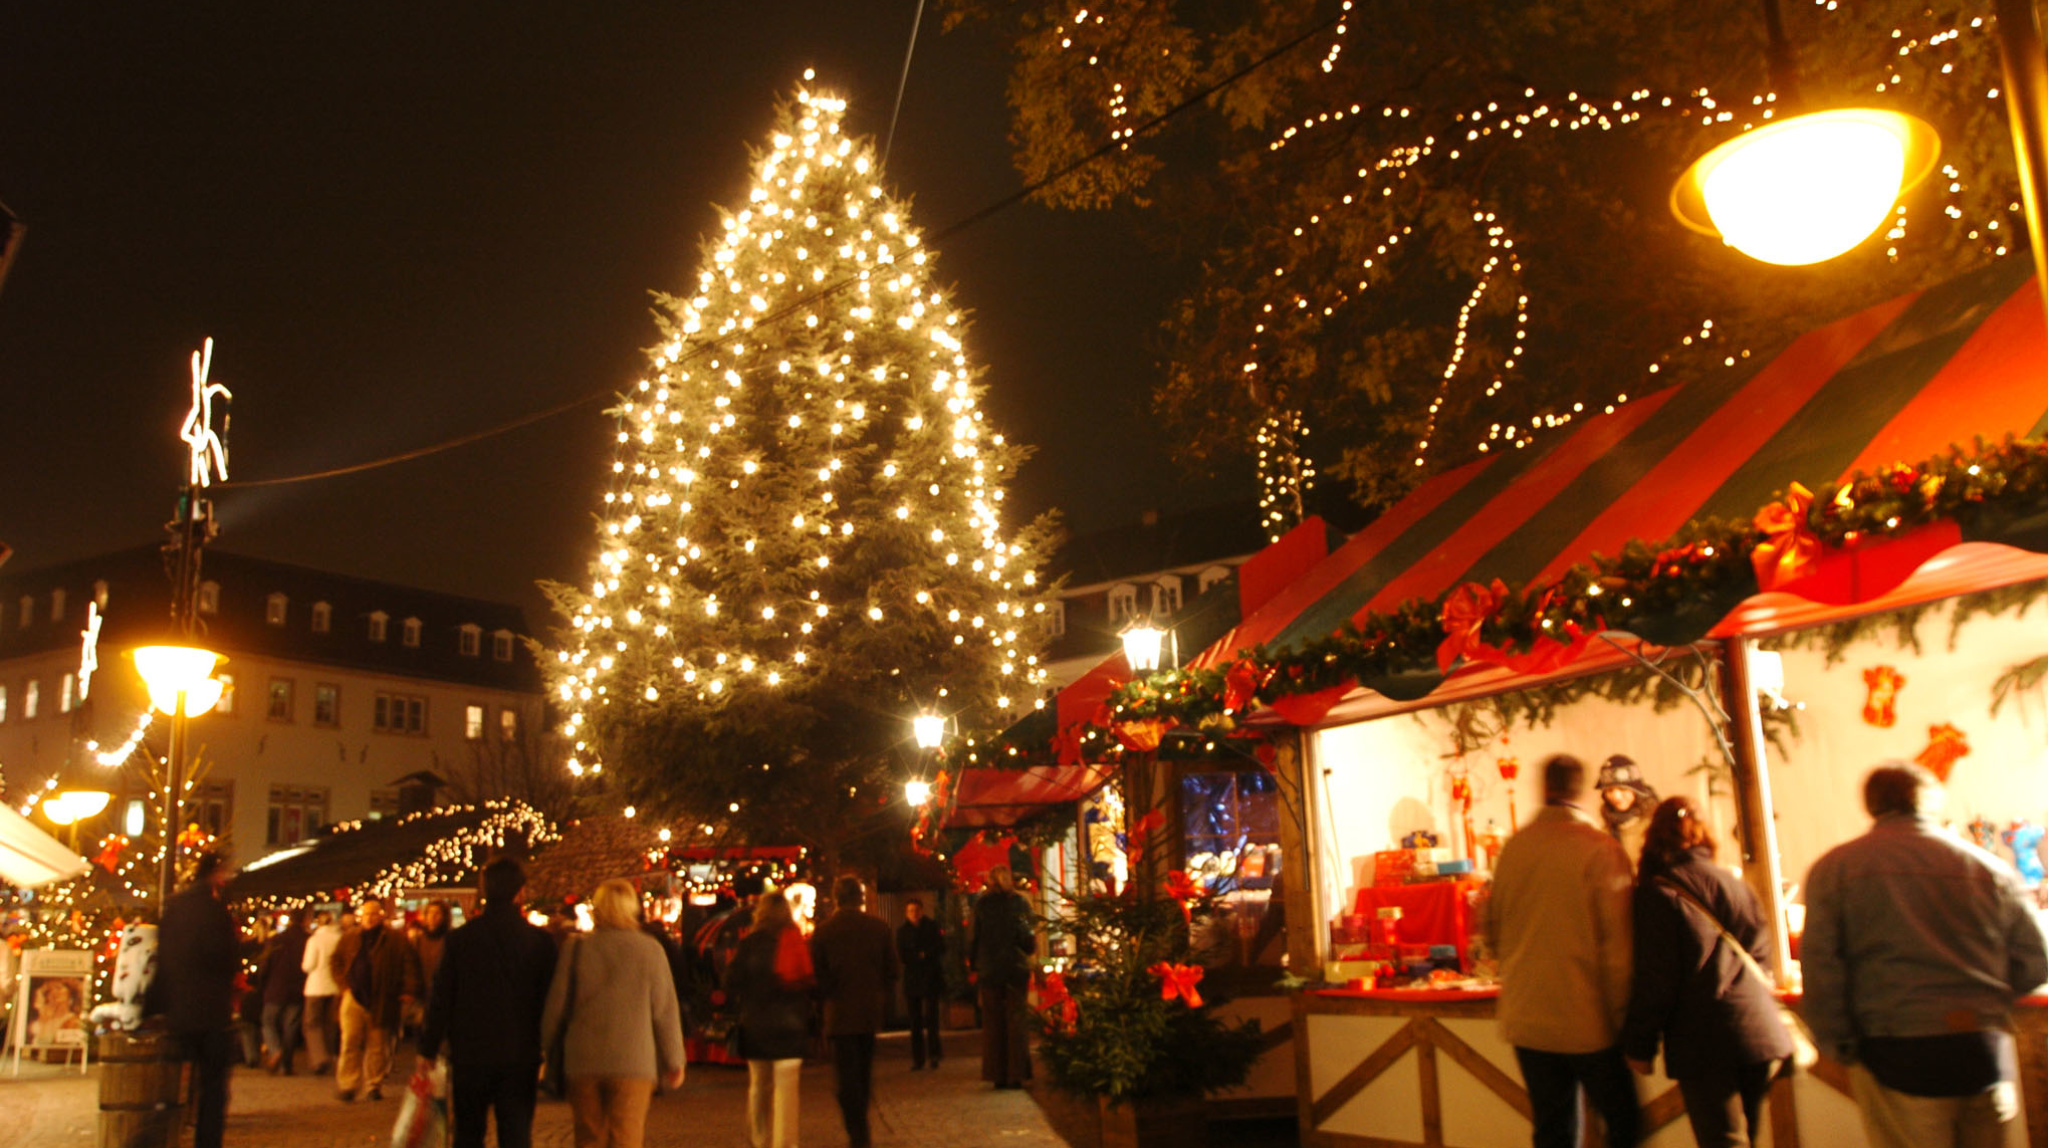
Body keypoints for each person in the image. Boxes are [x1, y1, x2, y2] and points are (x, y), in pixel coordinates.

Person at [1804, 762, 2048, 1148]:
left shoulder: (1836, 869)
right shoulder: (1987, 867)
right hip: (1982, 1049)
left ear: (1871, 804)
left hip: (1896, 1050)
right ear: (1931, 801)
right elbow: (2036, 958)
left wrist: (1838, 1043)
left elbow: (1821, 968)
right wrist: (1988, 999)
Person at [1620, 796, 1792, 1148]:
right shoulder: (1734, 883)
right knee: (1745, 1140)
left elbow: (1657, 979)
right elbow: (1762, 954)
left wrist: (1639, 1045)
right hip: (1758, 1034)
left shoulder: (1657, 894)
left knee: (1723, 1141)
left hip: (1704, 1040)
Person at [1486, 754, 1638, 1148]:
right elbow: (1618, 950)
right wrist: (1625, 1018)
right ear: (1580, 789)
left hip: (1528, 1017)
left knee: (1553, 1128)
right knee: (1623, 1123)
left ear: (1545, 788)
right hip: (1587, 1017)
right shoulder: (1599, 849)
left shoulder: (1514, 849)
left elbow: (1491, 930)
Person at [422, 858, 559, 1148]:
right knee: (516, 1133)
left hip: (470, 1052)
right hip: (520, 1051)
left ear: (485, 890)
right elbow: (550, 999)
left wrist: (428, 1047)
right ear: (520, 893)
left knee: (468, 1133)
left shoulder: (461, 940)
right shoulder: (540, 942)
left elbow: (441, 996)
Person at [541, 879, 686, 1148]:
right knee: (626, 1136)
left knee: (588, 1136)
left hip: (583, 1058)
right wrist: (674, 1059)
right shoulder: (650, 950)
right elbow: (664, 1011)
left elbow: (556, 1006)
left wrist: (545, 1047)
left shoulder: (576, 949)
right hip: (633, 1061)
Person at [145, 850, 239, 1148]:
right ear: (216, 872)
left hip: (178, 1012)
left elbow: (163, 960)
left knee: (169, 1085)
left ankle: (152, 1137)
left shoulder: (174, 907)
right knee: (212, 1087)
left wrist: (153, 1007)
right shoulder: (217, 910)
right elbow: (228, 959)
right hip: (211, 1013)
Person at [811, 875, 900, 1148]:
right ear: (860, 898)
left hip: (838, 1014)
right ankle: (861, 1122)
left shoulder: (824, 932)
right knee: (863, 1070)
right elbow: (892, 971)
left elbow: (817, 977)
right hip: (869, 1011)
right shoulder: (879, 928)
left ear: (837, 898)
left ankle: (857, 1130)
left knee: (846, 1076)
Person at [726, 891, 814, 1148]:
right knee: (787, 1093)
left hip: (757, 1026)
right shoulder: (797, 941)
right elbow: (810, 982)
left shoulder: (750, 944)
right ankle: (785, 1143)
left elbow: (730, 982)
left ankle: (759, 1139)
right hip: (792, 1026)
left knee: (759, 1087)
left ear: (760, 913)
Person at [329, 895, 423, 1101]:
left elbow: (409, 965)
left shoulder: (396, 939)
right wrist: (343, 985)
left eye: (374, 914)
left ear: (381, 916)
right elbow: (335, 960)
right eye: (366, 914)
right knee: (349, 1042)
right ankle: (348, 1084)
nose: (370, 918)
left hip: (382, 998)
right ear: (361, 917)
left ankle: (374, 1084)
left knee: (377, 1044)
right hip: (353, 996)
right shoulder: (350, 937)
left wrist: (408, 990)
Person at [968, 866, 1034, 1089]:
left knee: (993, 1023)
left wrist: (974, 964)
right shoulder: (1020, 904)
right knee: (1016, 1022)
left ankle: (996, 1073)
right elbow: (1028, 939)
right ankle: (1016, 1073)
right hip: (1015, 969)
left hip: (989, 970)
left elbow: (974, 938)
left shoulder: (982, 905)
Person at [896, 897, 945, 1070]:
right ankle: (918, 1058)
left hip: (930, 977)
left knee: (932, 1019)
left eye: (916, 911)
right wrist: (920, 956)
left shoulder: (931, 927)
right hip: (913, 979)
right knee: (915, 1021)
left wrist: (923, 955)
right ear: (906, 913)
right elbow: (903, 955)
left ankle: (934, 1054)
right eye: (910, 911)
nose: (914, 914)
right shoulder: (902, 931)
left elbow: (939, 947)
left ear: (921, 911)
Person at [259, 912, 310, 1073]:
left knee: (268, 1022)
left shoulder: (277, 940)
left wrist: (262, 983)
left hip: (276, 988)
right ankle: (286, 1065)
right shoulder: (307, 939)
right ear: (304, 921)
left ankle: (275, 1050)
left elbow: (265, 965)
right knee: (291, 1027)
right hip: (297, 989)